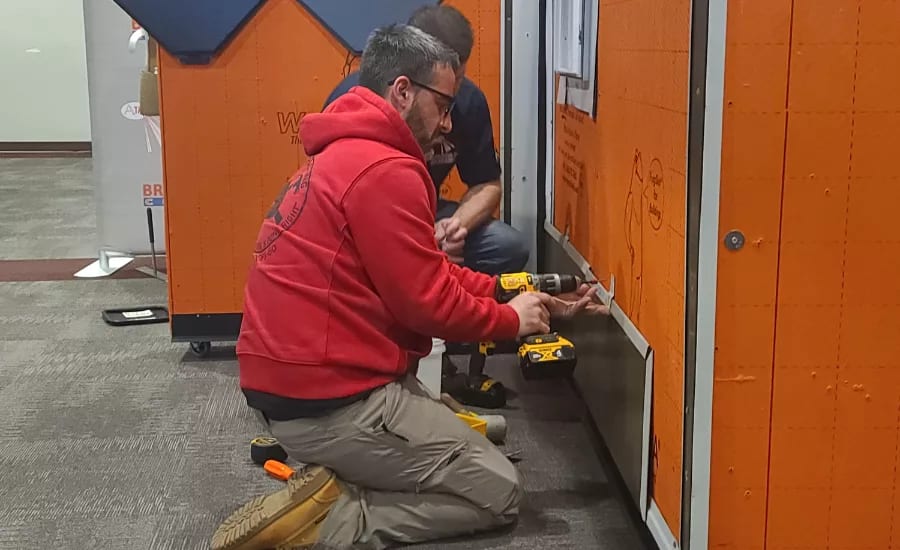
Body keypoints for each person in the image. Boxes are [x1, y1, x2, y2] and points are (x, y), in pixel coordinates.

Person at [212, 24, 603, 550]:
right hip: (329, 402)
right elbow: (427, 304)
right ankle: (336, 522)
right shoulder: (385, 169)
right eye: (443, 105)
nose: (447, 123)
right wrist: (512, 320)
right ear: (402, 90)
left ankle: (337, 480)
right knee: (498, 490)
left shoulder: (343, 154)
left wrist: (514, 296)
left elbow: (429, 276)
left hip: (297, 386)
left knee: (462, 437)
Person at [323, 5, 528, 276]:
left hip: (426, 215)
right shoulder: (352, 99)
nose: (447, 120)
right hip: (366, 223)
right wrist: (416, 244)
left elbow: (487, 183)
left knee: (508, 246)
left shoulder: (470, 102)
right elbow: (338, 203)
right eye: (444, 83)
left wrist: (454, 227)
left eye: (459, 78)